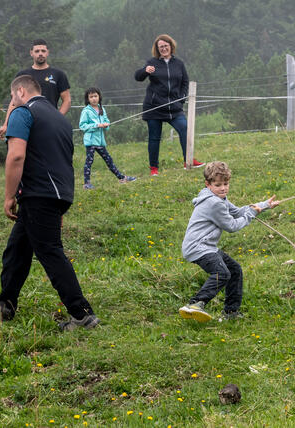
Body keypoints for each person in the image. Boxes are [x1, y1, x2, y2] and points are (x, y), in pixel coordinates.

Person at [0, 75, 99, 331]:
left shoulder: (23, 112)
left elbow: (16, 156)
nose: (11, 102)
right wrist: (59, 202)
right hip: (57, 192)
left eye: (12, 97)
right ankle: (5, 304)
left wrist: (9, 196)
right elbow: (61, 157)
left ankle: (82, 314)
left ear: (20, 91)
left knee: (50, 252)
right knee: (17, 249)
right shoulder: (59, 118)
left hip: (38, 193)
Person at [179, 161, 280, 322]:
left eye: (226, 184)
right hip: (198, 247)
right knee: (222, 273)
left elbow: (238, 211)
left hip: (207, 246)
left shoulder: (220, 199)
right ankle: (196, 304)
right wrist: (251, 214)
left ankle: (230, 313)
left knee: (234, 270)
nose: (223, 188)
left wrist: (264, 205)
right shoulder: (213, 203)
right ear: (208, 184)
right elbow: (232, 225)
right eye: (218, 185)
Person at [134, 34, 204, 176]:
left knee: (185, 129)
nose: (164, 49)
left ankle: (188, 160)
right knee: (154, 138)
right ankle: (154, 168)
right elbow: (138, 77)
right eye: (161, 47)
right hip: (154, 107)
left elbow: (185, 82)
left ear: (171, 47)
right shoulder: (152, 62)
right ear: (157, 49)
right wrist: (145, 71)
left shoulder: (179, 64)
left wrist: (181, 99)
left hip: (174, 107)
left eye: (166, 46)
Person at [0, 39, 71, 140]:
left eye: (43, 51)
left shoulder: (58, 74)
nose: (40, 54)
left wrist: (56, 118)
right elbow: (13, 102)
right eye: (37, 51)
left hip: (49, 125)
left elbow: (67, 100)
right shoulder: (22, 75)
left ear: (48, 53)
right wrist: (6, 124)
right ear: (31, 53)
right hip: (25, 123)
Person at [79, 87, 137, 189]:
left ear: (99, 97)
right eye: (91, 97)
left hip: (100, 142)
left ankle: (121, 178)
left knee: (109, 160)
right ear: (87, 99)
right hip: (91, 141)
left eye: (95, 96)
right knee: (89, 161)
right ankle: (86, 183)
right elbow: (82, 126)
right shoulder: (86, 111)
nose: (93, 99)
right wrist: (97, 125)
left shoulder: (102, 109)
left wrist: (106, 125)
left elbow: (106, 121)